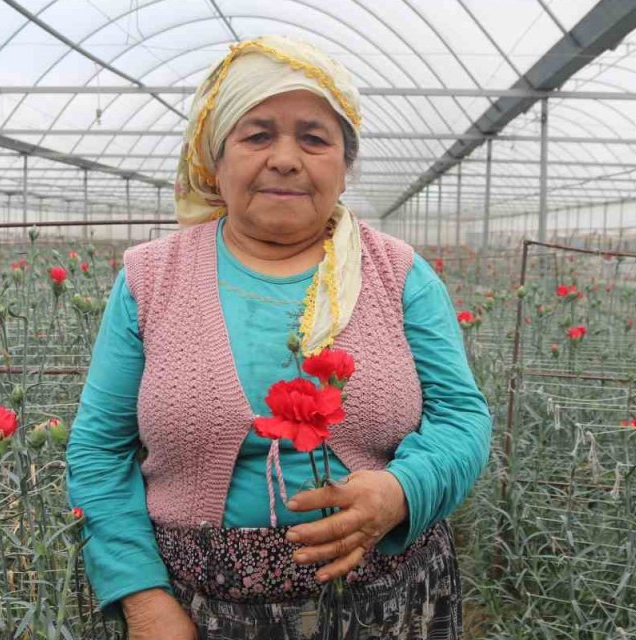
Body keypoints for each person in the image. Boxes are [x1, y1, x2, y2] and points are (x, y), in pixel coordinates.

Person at [66, 35, 492, 640]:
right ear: (215, 162)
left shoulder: (399, 273)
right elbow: (99, 451)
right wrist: (141, 597)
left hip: (388, 605)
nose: (286, 158)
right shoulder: (150, 278)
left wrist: (400, 491)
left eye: (315, 139)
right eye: (257, 134)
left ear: (345, 167)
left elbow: (461, 417)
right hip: (193, 612)